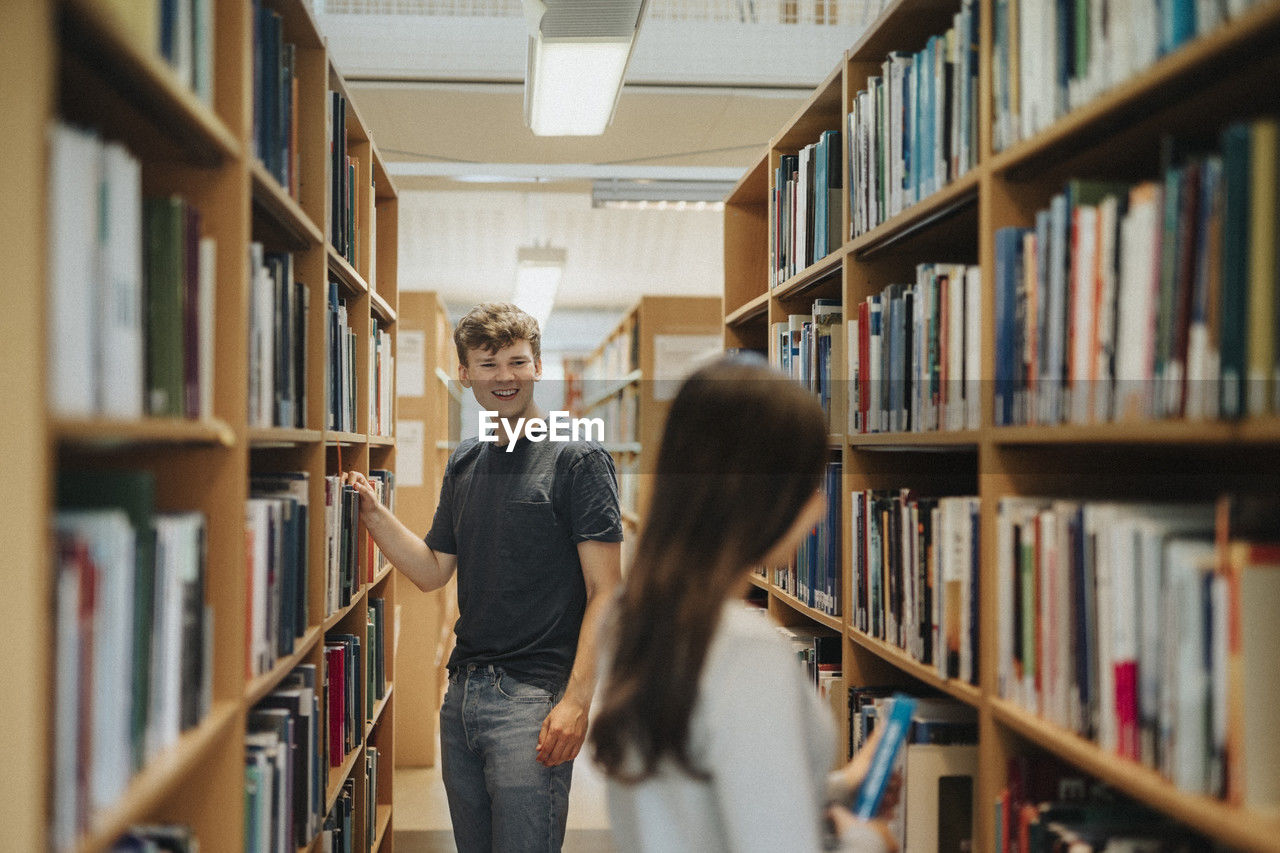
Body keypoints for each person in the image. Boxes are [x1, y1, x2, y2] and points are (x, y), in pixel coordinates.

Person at [343, 303, 623, 852]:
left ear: (538, 366)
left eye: (517, 362)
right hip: (462, 697)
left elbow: (607, 591)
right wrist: (375, 516)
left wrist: (576, 702)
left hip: (533, 701)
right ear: (465, 372)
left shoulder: (579, 460)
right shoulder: (465, 462)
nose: (505, 377)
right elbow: (431, 570)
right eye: (488, 364)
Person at [590, 356, 897, 853]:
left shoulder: (631, 616)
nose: (821, 507)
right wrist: (870, 842)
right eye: (807, 484)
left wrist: (840, 786)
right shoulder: (743, 648)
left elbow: (690, 797)